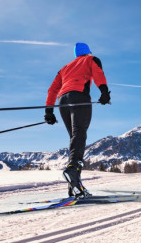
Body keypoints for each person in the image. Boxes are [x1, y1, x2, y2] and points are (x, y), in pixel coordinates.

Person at [44, 42, 111, 198]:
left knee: (75, 139)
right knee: (79, 134)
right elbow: (98, 74)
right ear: (88, 52)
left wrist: (49, 111)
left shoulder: (64, 68)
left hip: (63, 101)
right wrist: (104, 92)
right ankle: (73, 170)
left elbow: (52, 89)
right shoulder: (91, 59)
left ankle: (74, 186)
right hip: (79, 97)